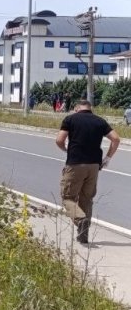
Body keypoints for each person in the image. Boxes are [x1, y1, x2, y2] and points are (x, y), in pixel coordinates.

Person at [55, 100, 121, 244]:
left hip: (76, 164)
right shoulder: (100, 121)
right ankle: (83, 235)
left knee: (68, 197)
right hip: (94, 166)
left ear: (77, 108)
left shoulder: (70, 119)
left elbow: (59, 140)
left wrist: (67, 151)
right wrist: (107, 158)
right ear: (90, 108)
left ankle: (80, 220)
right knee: (86, 199)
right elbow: (115, 139)